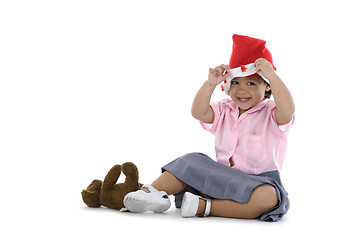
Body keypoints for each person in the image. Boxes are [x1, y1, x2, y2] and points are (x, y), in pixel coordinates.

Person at [123, 34, 295, 222]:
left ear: (267, 87)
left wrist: (272, 75)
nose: (242, 89)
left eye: (251, 83)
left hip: (257, 182)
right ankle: (152, 192)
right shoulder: (225, 108)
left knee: (269, 197)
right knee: (190, 160)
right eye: (236, 82)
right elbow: (198, 112)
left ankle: (203, 206)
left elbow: (287, 111)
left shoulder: (271, 112)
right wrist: (210, 84)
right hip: (220, 177)